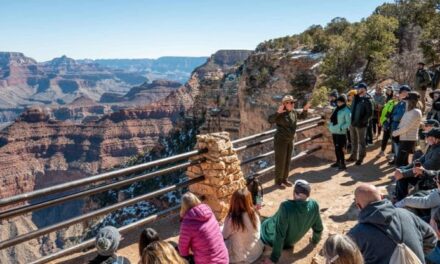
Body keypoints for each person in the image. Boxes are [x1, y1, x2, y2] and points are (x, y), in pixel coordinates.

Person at [348, 184, 437, 264]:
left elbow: (344, 259)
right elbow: (432, 237)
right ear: (382, 197)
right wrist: (414, 257)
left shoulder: (355, 234)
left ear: (358, 206)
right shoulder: (406, 214)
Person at [261, 180, 323, 264]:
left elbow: (280, 234)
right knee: (272, 219)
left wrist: (273, 258)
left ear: (294, 193)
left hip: (275, 240)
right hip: (291, 242)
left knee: (264, 223)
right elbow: (318, 227)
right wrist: (315, 240)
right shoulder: (314, 205)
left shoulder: (286, 207)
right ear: (308, 194)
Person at [268, 95, 310, 187]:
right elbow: (270, 120)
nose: (292, 104)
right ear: (284, 104)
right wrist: (278, 112)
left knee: (287, 160)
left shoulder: (293, 112)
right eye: (290, 102)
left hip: (290, 140)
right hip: (281, 141)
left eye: (293, 102)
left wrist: (305, 109)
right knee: (280, 161)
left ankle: (285, 179)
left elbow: (302, 116)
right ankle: (278, 181)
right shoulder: (280, 113)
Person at [178, 192, 228, 264]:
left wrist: (186, 256)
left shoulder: (187, 223)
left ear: (183, 206)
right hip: (223, 256)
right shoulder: (208, 211)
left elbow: (182, 249)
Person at [394, 128, 440, 201]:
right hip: (424, 174)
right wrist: (404, 169)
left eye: (428, 136)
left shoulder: (438, 152)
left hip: (431, 180)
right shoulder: (433, 146)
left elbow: (425, 168)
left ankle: (400, 201)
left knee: (403, 177)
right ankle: (397, 196)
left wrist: (403, 173)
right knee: (402, 169)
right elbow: (420, 160)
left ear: (436, 139)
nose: (426, 138)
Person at [222, 188, 264, 263]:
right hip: (256, 251)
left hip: (241, 258)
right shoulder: (254, 213)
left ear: (233, 201)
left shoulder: (233, 219)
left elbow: (224, 236)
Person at [392, 91, 423, 167]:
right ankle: (403, 177)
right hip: (404, 138)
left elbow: (407, 127)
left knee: (399, 162)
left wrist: (395, 133)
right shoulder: (410, 111)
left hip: (408, 139)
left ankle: (399, 178)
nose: (405, 102)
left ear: (411, 101)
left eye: (407, 100)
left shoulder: (416, 112)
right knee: (404, 161)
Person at [347, 83, 373, 165]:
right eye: (359, 89)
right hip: (352, 123)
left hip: (361, 125)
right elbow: (352, 110)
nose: (360, 90)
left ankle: (361, 158)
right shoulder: (356, 98)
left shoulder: (367, 99)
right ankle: (353, 156)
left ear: (365, 90)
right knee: (353, 140)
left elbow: (369, 113)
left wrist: (363, 121)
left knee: (361, 142)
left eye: (362, 89)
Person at [388, 85, 411, 165]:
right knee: (395, 145)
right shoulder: (399, 103)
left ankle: (403, 163)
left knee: (402, 146)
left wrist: (394, 117)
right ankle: (395, 158)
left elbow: (399, 116)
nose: (402, 94)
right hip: (394, 127)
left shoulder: (408, 103)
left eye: (405, 92)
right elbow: (392, 114)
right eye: (401, 92)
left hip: (402, 127)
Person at [328, 95, 351, 170]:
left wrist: (341, 128)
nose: (338, 103)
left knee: (340, 148)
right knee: (336, 147)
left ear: (344, 102)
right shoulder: (336, 109)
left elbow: (348, 123)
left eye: (340, 102)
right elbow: (332, 119)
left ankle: (343, 164)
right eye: (337, 102)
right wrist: (330, 126)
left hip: (341, 133)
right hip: (334, 131)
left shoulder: (347, 110)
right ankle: (338, 162)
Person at [377, 90, 398, 157]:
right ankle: (382, 151)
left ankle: (393, 153)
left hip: (393, 124)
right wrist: (381, 120)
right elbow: (384, 112)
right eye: (394, 95)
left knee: (393, 139)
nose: (395, 97)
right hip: (386, 123)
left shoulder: (398, 104)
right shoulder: (389, 102)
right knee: (385, 138)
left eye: (397, 96)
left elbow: (391, 114)